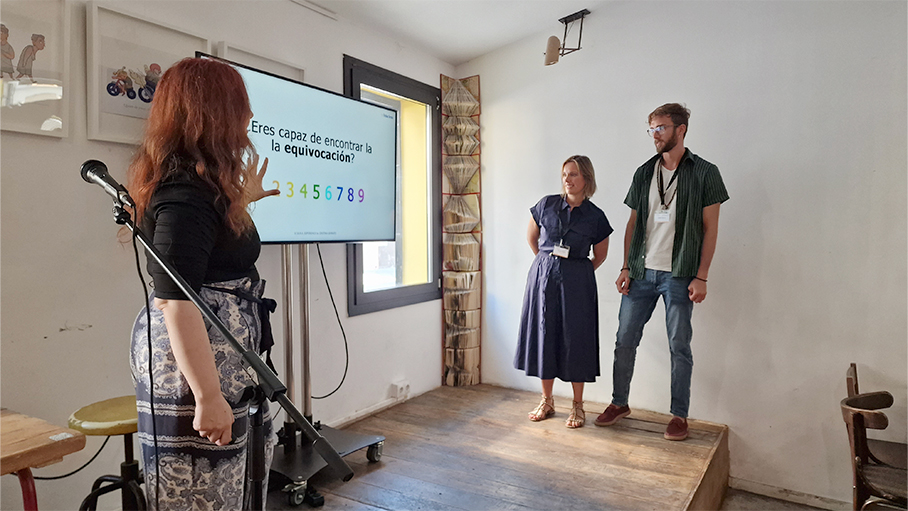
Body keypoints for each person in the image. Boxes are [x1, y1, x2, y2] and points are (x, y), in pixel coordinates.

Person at [127, 57, 279, 510]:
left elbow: (211, 253)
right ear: (213, 114)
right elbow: (176, 301)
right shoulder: (185, 193)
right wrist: (208, 397)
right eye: (241, 107)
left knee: (230, 483)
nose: (249, 117)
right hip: (195, 365)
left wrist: (239, 201)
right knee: (202, 491)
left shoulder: (201, 188)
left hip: (219, 356)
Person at [594, 103, 728, 441]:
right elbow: (633, 223)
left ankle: (679, 415)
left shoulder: (705, 172)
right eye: (651, 128)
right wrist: (626, 266)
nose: (655, 134)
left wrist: (702, 275)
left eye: (661, 128)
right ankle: (619, 403)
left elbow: (710, 228)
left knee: (679, 345)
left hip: (680, 273)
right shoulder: (644, 173)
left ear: (681, 130)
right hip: (641, 271)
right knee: (624, 340)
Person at [515, 155, 613, 429]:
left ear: (586, 179)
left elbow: (600, 255)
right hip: (543, 278)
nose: (567, 180)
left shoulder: (595, 216)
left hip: (577, 283)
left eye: (574, 174)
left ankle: (578, 405)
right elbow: (532, 239)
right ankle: (546, 400)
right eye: (565, 174)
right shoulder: (546, 204)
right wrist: (547, 265)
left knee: (576, 339)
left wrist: (575, 272)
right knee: (545, 334)